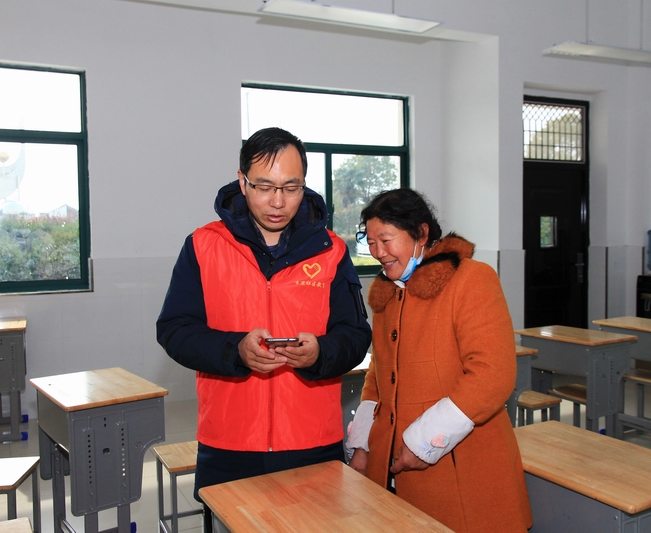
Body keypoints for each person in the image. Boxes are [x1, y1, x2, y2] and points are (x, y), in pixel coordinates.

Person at [156, 127, 372, 504]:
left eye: (291, 187)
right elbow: (174, 330)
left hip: (312, 443)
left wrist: (320, 353)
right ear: (242, 182)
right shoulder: (204, 246)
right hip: (228, 444)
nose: (278, 201)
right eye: (264, 186)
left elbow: (355, 335)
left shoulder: (331, 251)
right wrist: (235, 350)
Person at [345, 188, 532, 532]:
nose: (378, 252)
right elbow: (379, 374)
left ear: (421, 233)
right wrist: (363, 444)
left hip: (462, 470)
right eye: (370, 242)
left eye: (385, 240)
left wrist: (423, 442)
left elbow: (492, 374)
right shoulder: (389, 295)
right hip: (394, 471)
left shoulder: (471, 279)